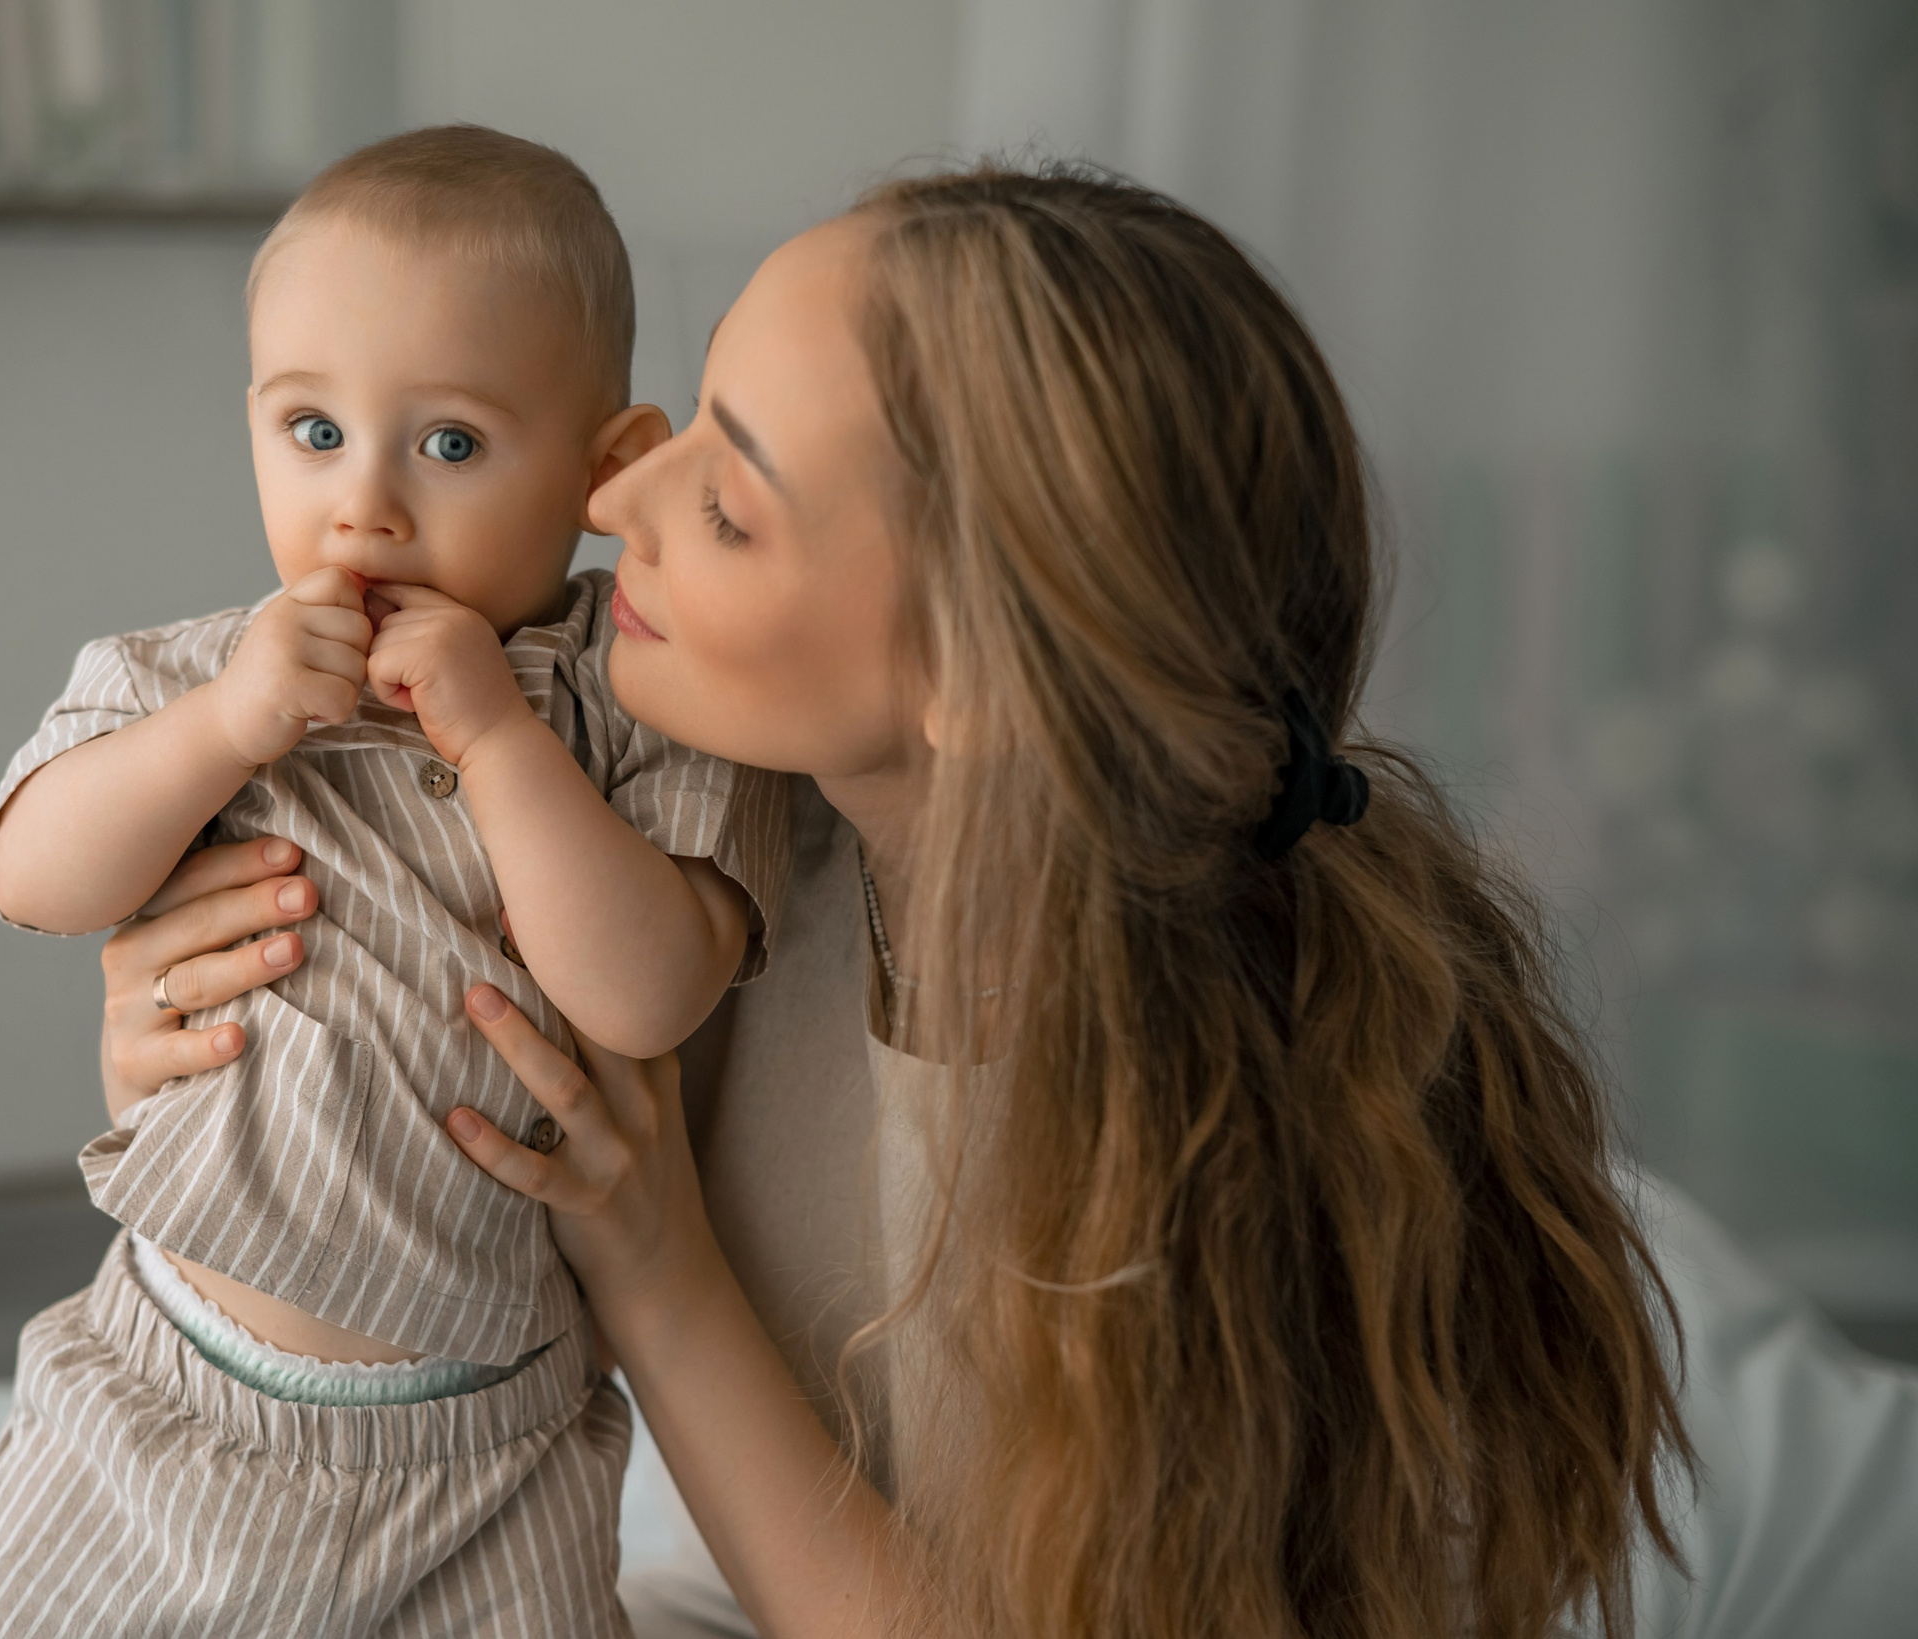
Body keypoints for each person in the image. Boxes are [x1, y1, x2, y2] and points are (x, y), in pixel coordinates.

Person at [95, 164, 1704, 1639]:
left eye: (729, 505)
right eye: (693, 426)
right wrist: (201, 1016)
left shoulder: (1136, 1165)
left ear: (971, 681)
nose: (614, 503)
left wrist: (660, 1278)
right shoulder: (692, 838)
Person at [0, 126, 790, 1638]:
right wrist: (226, 727)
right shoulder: (198, 674)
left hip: (489, 1442)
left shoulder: (634, 715)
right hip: (171, 1396)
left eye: (448, 444)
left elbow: (649, 989)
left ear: (606, 468)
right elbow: (35, 874)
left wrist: (501, 736)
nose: (364, 506)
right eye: (312, 433)